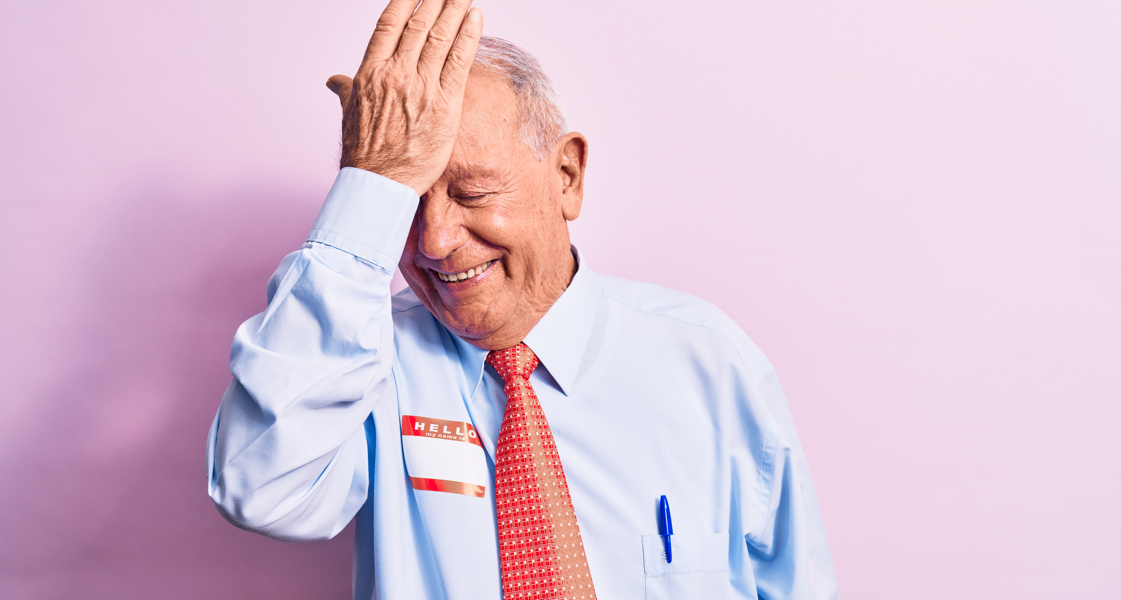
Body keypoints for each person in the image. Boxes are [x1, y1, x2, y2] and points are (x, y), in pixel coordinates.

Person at [207, 0, 839, 598]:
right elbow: (259, 488)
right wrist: (373, 182)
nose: (434, 240)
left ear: (567, 177)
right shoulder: (368, 360)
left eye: (475, 193)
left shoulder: (710, 362)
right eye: (409, 202)